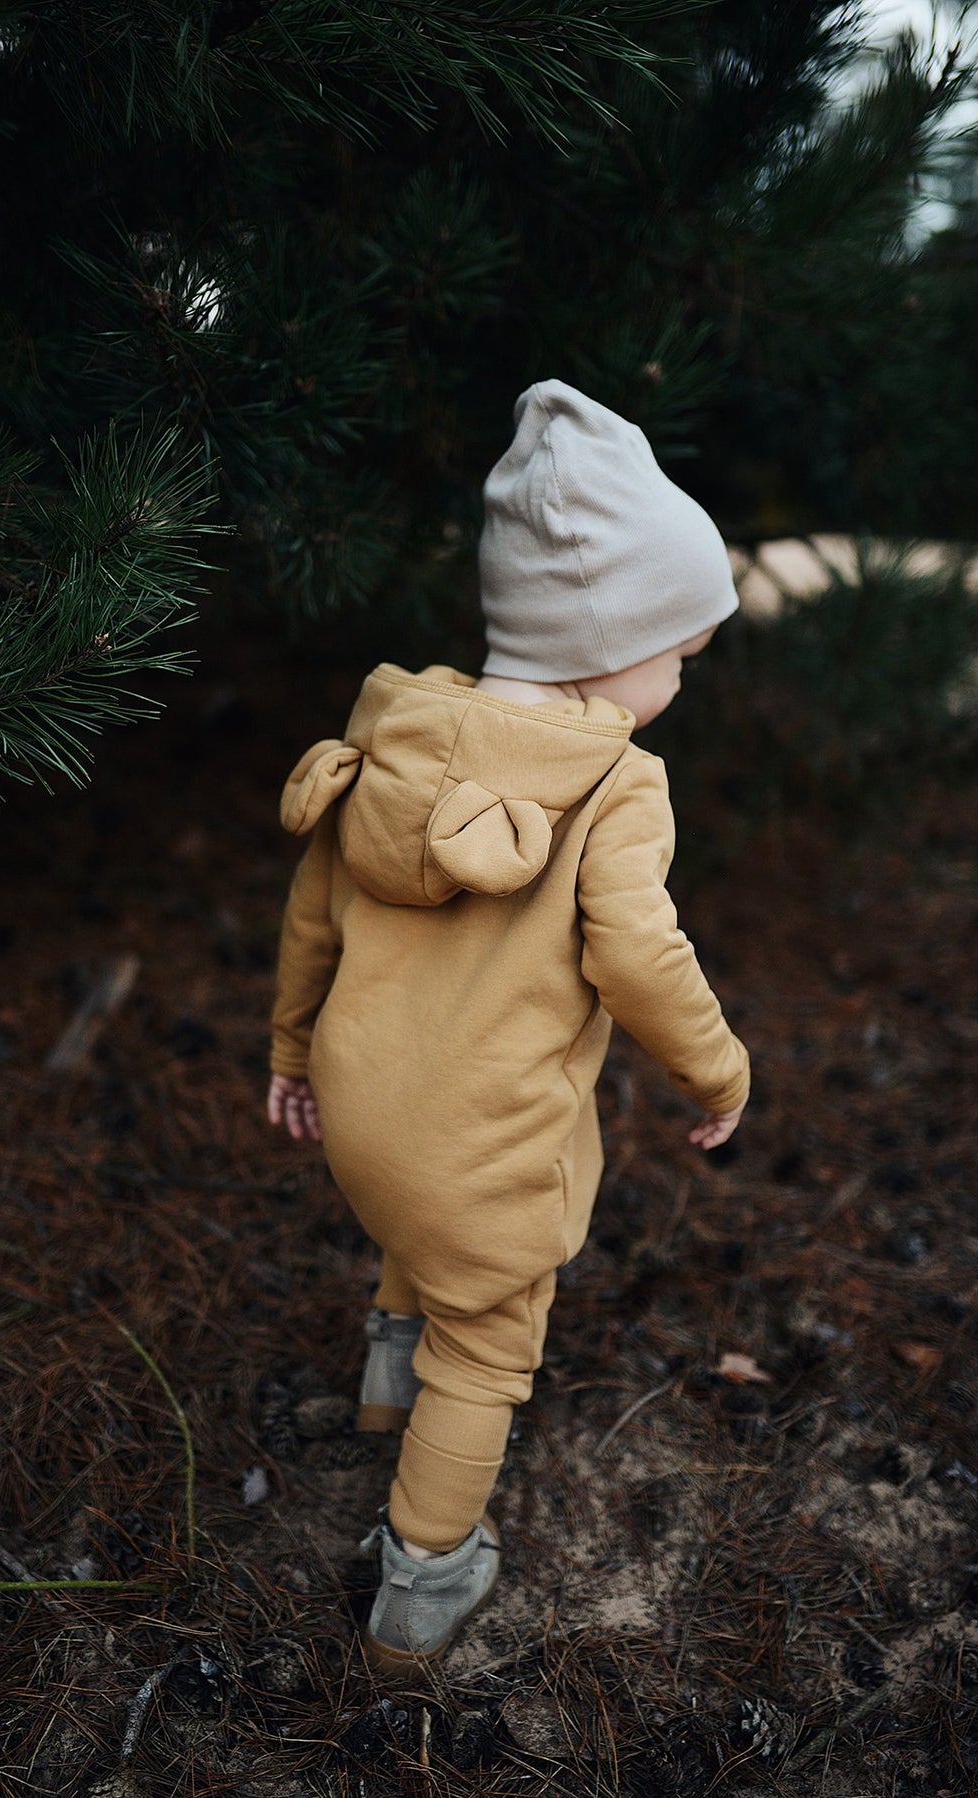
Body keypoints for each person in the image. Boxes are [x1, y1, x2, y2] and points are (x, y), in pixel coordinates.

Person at [266, 379, 750, 1678]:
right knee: (491, 1332)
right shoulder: (616, 781)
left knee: (420, 1223)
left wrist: (286, 1048)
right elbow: (640, 952)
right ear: (609, 641)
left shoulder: (403, 732)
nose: (682, 680)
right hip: (483, 1147)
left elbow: (315, 903)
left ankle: (382, 1387)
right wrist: (719, 1064)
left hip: (361, 1118)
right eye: (679, 653)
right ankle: (425, 1575)